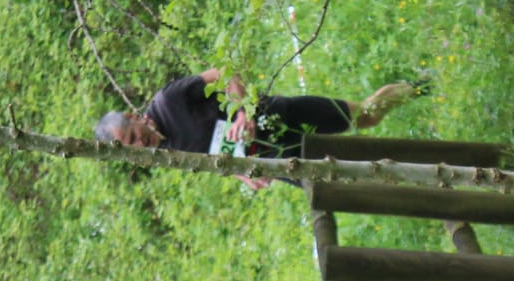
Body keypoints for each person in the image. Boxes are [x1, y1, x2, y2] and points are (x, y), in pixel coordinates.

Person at [95, 68, 420, 190]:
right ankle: (425, 180)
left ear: (133, 116)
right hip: (276, 161)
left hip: (281, 117)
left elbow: (224, 72)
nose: (142, 145)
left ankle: (420, 87)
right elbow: (213, 156)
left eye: (134, 136)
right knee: (354, 183)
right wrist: (242, 173)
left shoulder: (169, 100)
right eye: (133, 149)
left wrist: (241, 114)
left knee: (365, 116)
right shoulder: (165, 153)